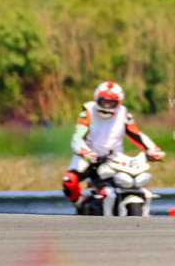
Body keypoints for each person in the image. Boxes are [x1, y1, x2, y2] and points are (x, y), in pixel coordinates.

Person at [61, 81, 165, 211]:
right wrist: (85, 152)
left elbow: (136, 134)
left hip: (113, 159)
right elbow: (77, 138)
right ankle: (81, 205)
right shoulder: (87, 113)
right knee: (69, 180)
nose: (107, 105)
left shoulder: (124, 115)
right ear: (97, 99)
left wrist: (153, 149)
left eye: (111, 102)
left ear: (119, 102)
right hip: (88, 157)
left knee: (129, 182)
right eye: (103, 101)